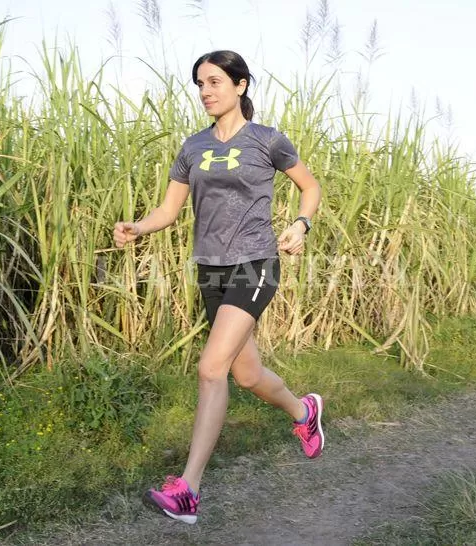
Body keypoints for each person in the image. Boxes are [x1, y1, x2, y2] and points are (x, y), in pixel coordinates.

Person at [113, 50, 324, 525]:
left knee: (212, 369)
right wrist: (138, 227)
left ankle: (187, 490)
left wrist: (300, 223)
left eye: (215, 82)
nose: (206, 91)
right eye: (200, 84)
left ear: (241, 85)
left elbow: (309, 187)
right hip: (210, 269)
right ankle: (303, 410)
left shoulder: (268, 140)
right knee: (246, 375)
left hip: (255, 263)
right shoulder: (192, 147)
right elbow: (169, 211)